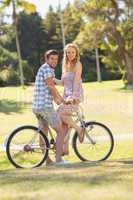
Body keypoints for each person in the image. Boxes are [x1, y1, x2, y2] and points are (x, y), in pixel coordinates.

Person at [32, 49, 65, 163]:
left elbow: (53, 82)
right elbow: (51, 86)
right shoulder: (47, 69)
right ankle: (59, 159)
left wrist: (63, 83)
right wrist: (59, 98)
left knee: (44, 132)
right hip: (45, 106)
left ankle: (47, 161)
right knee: (60, 131)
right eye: (52, 58)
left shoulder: (47, 70)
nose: (54, 61)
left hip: (37, 107)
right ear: (47, 59)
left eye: (56, 59)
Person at [55, 43, 84, 155]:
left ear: (76, 53)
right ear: (65, 54)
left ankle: (80, 129)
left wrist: (73, 97)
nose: (70, 54)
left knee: (61, 114)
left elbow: (76, 82)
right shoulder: (65, 65)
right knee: (63, 122)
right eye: (68, 52)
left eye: (72, 52)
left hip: (75, 96)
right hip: (66, 96)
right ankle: (65, 149)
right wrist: (51, 79)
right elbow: (62, 83)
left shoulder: (78, 64)